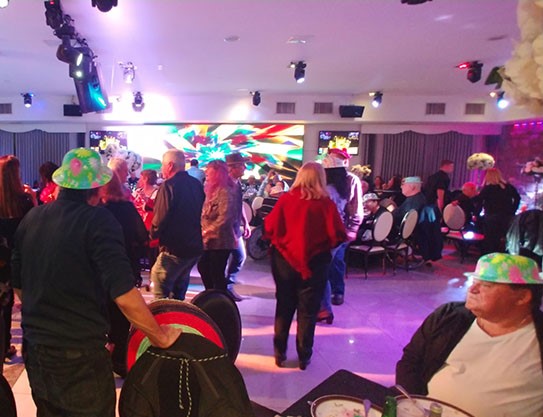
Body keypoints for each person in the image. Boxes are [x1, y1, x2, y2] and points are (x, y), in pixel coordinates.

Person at [11, 148, 181, 416]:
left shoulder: (33, 218)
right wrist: (159, 336)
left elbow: (19, 284)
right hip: (78, 354)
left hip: (35, 349)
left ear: (62, 183)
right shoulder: (98, 220)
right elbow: (123, 294)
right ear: (98, 187)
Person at [396, 252, 543, 417]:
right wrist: (414, 407)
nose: (472, 289)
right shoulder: (449, 316)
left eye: (486, 285)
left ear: (522, 297)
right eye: (474, 281)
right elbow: (411, 360)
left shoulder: (536, 338)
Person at [264, 162, 347, 370]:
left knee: (284, 306)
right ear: (321, 178)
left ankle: (280, 353)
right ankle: (304, 356)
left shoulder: (286, 200)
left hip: (284, 262)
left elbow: (269, 227)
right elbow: (338, 235)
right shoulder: (326, 204)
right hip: (315, 264)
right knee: (308, 311)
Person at [100, 173, 149, 377]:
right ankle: (120, 359)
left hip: (101, 269)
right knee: (121, 316)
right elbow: (143, 236)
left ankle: (104, 353)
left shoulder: (98, 211)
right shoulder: (128, 208)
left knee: (102, 311)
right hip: (125, 265)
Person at [150, 149, 205, 301]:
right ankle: (178, 314)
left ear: (170, 165)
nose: (161, 169)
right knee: (179, 293)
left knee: (160, 293)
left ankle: (164, 317)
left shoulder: (168, 186)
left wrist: (151, 235)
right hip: (194, 246)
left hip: (174, 249)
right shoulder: (196, 184)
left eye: (162, 165)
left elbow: (160, 219)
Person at [0, 155, 35, 366]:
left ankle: (4, 346)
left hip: (2, 261)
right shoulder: (24, 201)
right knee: (28, 304)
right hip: (23, 259)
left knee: (4, 305)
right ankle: (29, 348)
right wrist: (34, 198)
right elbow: (36, 227)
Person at [320, 148, 363, 309]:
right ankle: (324, 294)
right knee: (324, 262)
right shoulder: (322, 178)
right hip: (322, 228)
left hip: (341, 228)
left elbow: (356, 205)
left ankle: (337, 291)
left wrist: (353, 228)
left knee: (336, 261)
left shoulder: (351, 180)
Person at [198, 159, 242, 295]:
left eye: (209, 171)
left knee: (215, 272)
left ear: (217, 173)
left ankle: (219, 299)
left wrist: (207, 231)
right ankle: (212, 296)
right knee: (205, 268)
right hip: (209, 240)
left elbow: (225, 217)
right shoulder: (211, 189)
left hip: (221, 240)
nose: (206, 173)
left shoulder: (225, 191)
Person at [475, 167, 521, 254]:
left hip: (491, 217)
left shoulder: (488, 188)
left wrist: (476, 214)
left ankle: (489, 257)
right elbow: (517, 198)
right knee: (502, 238)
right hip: (506, 217)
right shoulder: (508, 187)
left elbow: (479, 201)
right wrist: (513, 210)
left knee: (490, 241)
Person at [225, 153, 251, 301]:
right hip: (226, 229)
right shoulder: (226, 185)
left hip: (234, 227)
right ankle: (224, 289)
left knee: (240, 256)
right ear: (232, 167)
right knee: (234, 256)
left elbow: (239, 204)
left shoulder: (237, 183)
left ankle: (227, 286)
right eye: (241, 165)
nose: (244, 168)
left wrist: (245, 222)